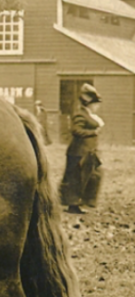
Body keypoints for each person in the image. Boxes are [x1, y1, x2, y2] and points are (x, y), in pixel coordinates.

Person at [60, 83, 104, 214]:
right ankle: (73, 205)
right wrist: (93, 133)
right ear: (89, 104)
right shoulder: (80, 114)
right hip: (79, 152)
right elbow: (75, 130)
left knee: (92, 175)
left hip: (87, 151)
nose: (97, 107)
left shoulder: (87, 115)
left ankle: (82, 202)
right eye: (96, 104)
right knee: (76, 178)